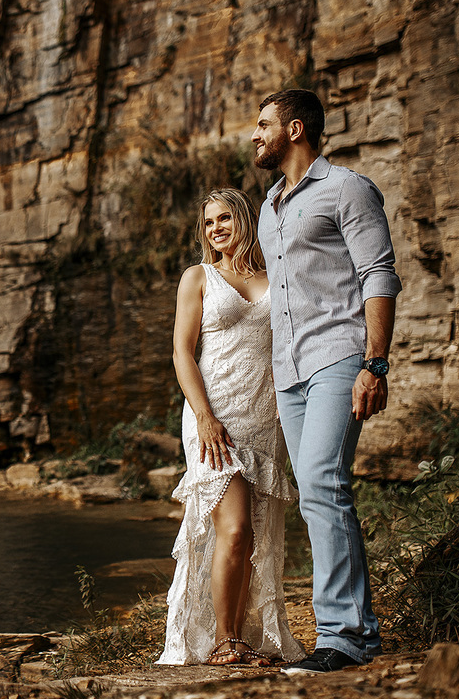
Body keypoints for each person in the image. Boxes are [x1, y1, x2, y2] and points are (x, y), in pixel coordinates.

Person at [251, 89, 401, 675]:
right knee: (317, 494)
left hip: (338, 355)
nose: (255, 134)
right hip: (288, 370)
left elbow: (378, 274)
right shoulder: (268, 207)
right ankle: (353, 630)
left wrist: (374, 363)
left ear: (294, 129)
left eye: (264, 124)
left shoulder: (347, 189)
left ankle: (345, 637)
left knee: (321, 482)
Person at [158, 188, 305, 667]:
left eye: (224, 218)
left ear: (244, 219)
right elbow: (182, 352)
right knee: (236, 528)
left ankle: (238, 638)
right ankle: (223, 640)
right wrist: (203, 416)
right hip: (212, 415)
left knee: (252, 537)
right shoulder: (198, 277)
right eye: (208, 222)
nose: (215, 228)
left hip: (262, 416)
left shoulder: (275, 275)